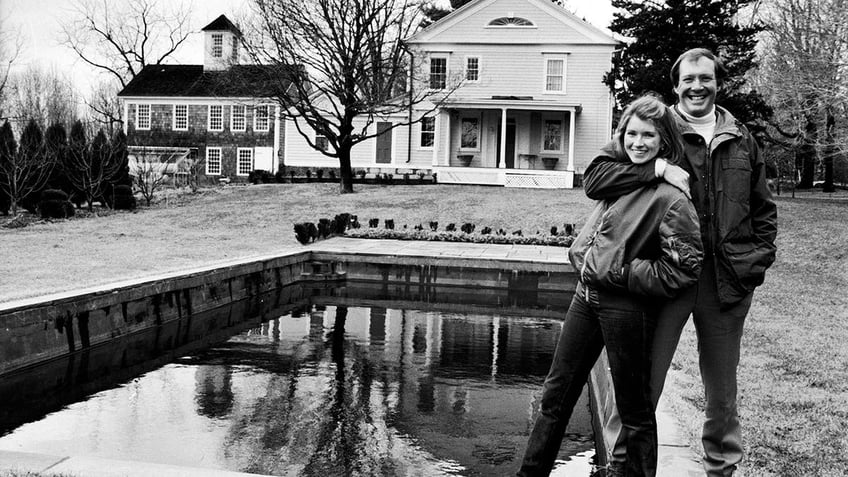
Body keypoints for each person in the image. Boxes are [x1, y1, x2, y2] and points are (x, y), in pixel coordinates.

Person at [584, 48, 778, 477]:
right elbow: (597, 177)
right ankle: (620, 466)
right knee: (641, 385)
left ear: (717, 83)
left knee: (722, 392)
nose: (697, 86)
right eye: (688, 79)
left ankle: (721, 469)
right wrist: (656, 168)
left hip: (725, 282)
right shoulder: (658, 128)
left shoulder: (741, 136)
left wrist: (755, 263)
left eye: (705, 78)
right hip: (665, 278)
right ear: (676, 85)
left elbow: (764, 210)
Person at [517, 94, 704, 477]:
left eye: (648, 136)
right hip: (585, 299)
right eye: (631, 134)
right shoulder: (618, 176)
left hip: (626, 308)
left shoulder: (672, 199)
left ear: (663, 141)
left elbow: (683, 269)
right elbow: (595, 181)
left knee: (634, 410)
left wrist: (622, 275)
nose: (638, 142)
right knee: (555, 397)